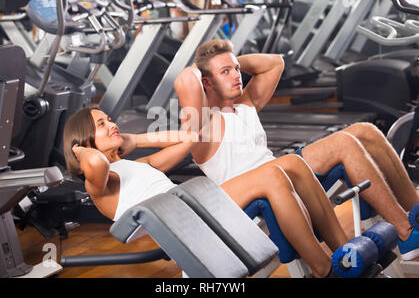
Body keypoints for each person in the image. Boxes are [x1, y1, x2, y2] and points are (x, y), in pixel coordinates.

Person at [173, 39, 419, 262]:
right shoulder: (203, 123)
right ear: (206, 81)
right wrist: (206, 69)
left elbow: (275, 63)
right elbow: (186, 79)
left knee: (365, 131)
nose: (237, 75)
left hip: (284, 169)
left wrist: (228, 62)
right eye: (226, 72)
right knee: (344, 144)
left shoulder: (245, 104)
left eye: (237, 70)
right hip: (254, 186)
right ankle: (404, 231)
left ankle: (414, 215)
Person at [64, 106, 355, 278]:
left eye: (109, 119)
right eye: (101, 124)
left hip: (198, 206)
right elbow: (95, 162)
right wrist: (79, 150)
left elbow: (191, 138)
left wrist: (136, 139)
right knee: (273, 177)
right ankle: (324, 269)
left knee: (289, 163)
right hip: (188, 221)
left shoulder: (139, 164)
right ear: (82, 142)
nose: (112, 124)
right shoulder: (100, 183)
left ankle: (344, 252)